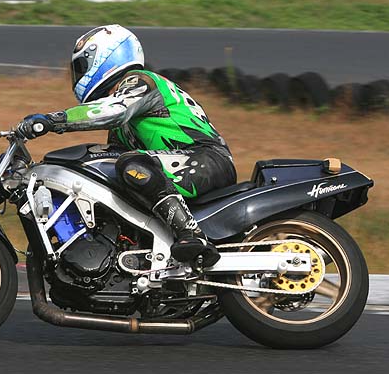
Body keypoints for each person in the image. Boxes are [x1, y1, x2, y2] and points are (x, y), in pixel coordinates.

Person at [16, 24, 236, 268]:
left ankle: (192, 234)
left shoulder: (141, 82)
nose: (78, 75)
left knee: (132, 164)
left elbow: (113, 111)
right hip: (180, 164)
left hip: (206, 158)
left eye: (82, 66)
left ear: (109, 56)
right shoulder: (122, 124)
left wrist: (53, 120)